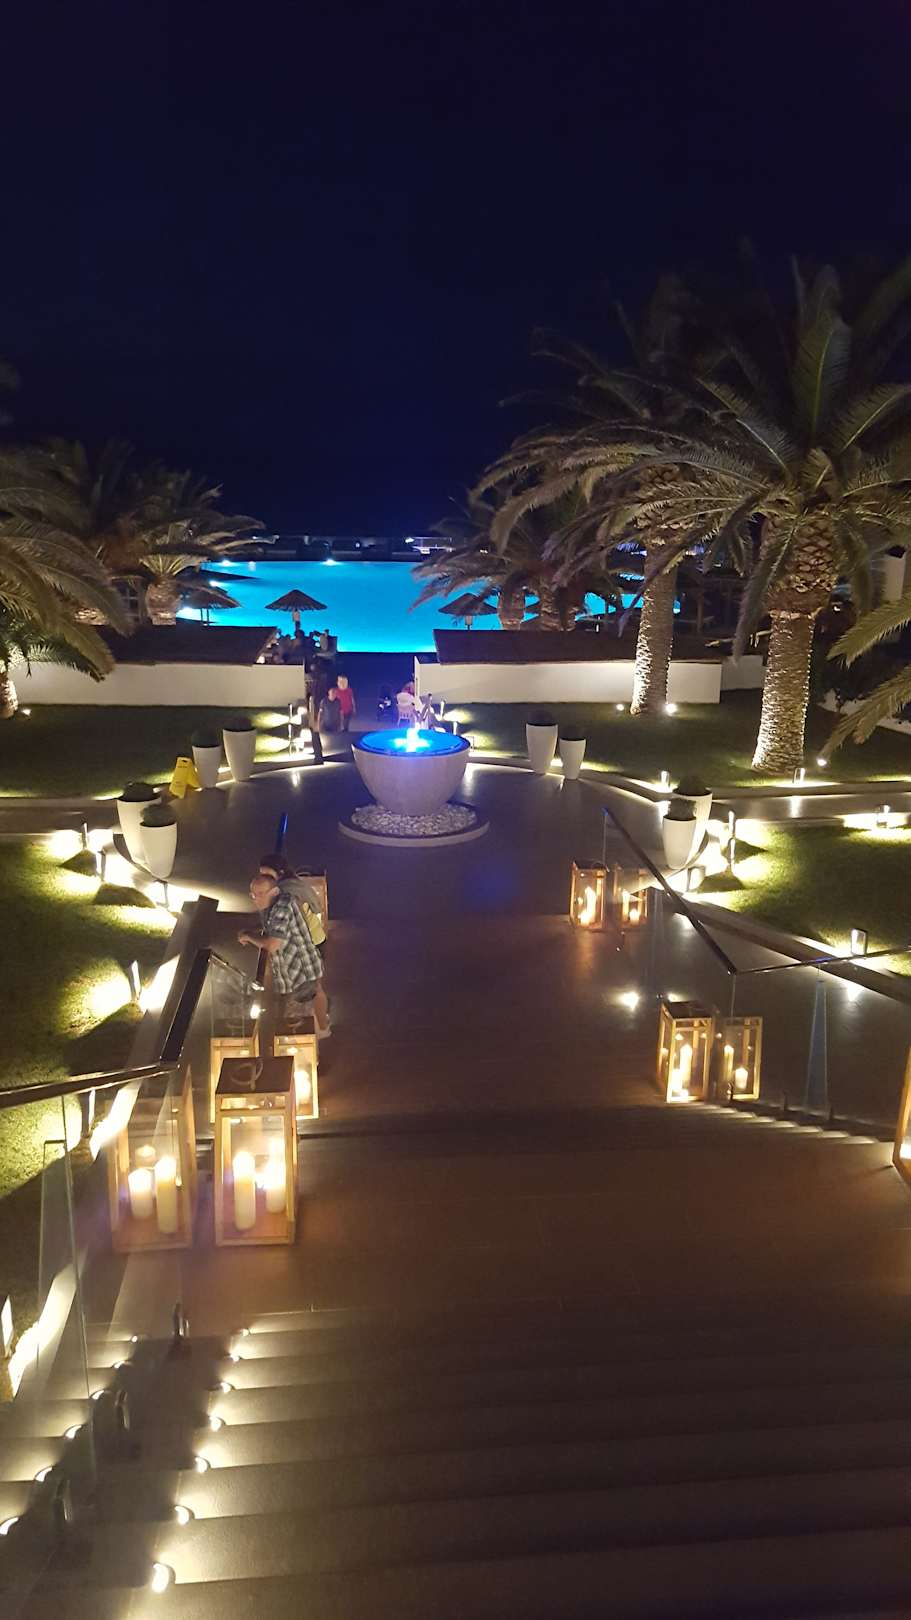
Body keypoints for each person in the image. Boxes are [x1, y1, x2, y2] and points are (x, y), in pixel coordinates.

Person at [239, 875, 326, 1032]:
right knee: (299, 1021)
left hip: (300, 974)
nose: (256, 899)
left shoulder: (282, 907)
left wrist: (249, 937)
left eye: (260, 894)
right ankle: (321, 1030)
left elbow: (272, 944)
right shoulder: (272, 905)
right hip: (299, 971)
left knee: (297, 1027)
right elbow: (272, 928)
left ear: (274, 892)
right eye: (253, 895)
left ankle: (319, 1035)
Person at [258, 854, 331, 1034]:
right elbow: (316, 906)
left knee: (310, 990)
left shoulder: (284, 893)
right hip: (318, 937)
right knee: (317, 987)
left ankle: (316, 1028)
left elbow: (281, 928)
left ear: (280, 873)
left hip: (310, 942)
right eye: (261, 874)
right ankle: (322, 1025)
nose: (264, 879)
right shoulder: (296, 883)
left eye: (267, 875)